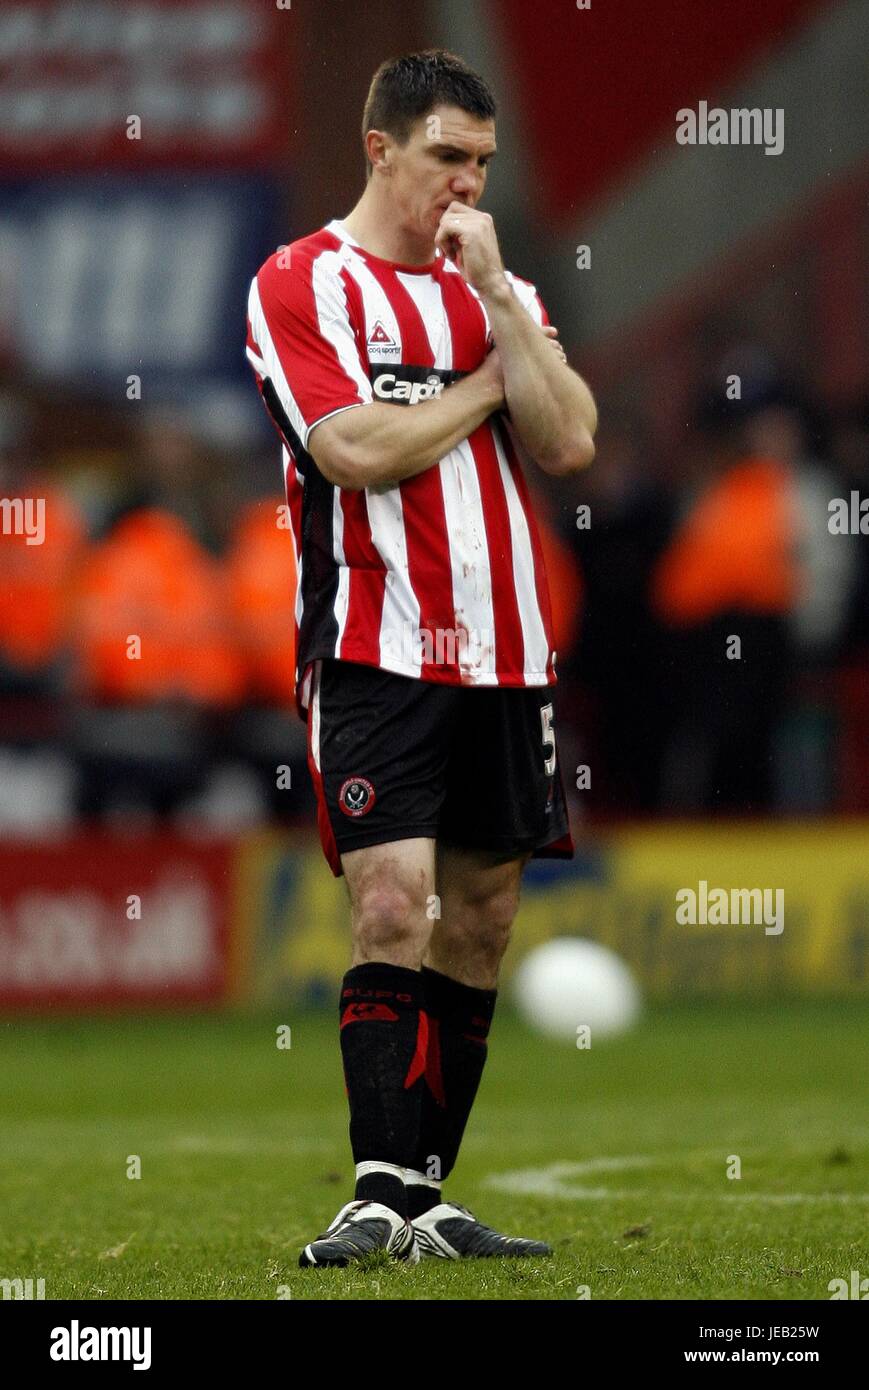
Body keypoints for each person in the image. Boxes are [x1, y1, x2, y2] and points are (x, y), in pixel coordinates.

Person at [245, 49, 597, 1268]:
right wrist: (480, 390)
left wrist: (504, 317)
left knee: (483, 919)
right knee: (392, 900)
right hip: (372, 644)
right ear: (379, 149)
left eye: (484, 163)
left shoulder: (498, 293)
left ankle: (425, 1196)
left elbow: (567, 442)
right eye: (447, 156)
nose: (467, 184)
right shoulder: (301, 283)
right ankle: (371, 1194)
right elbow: (352, 451)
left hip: (505, 651)